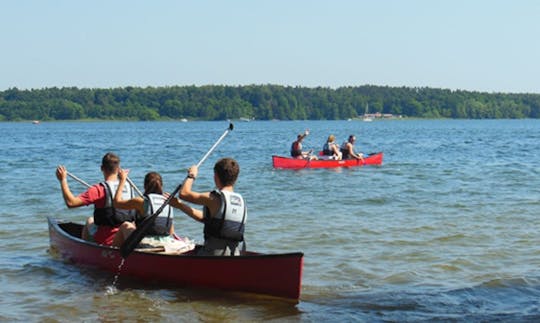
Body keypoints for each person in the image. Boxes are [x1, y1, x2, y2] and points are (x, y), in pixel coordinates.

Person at [55, 152, 136, 245]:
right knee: (91, 220)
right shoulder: (129, 188)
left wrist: (63, 180)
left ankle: (86, 251)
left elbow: (71, 203)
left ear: (102, 168)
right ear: (118, 169)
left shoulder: (99, 189)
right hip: (125, 237)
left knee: (89, 221)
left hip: (107, 241)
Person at [177, 157, 247, 256]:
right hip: (234, 255)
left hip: (212, 255)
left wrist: (191, 175)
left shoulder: (213, 198)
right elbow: (205, 218)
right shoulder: (241, 202)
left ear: (216, 176)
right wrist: (179, 205)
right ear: (236, 178)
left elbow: (183, 193)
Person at [112, 169, 194, 252]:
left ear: (145, 186)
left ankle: (113, 255)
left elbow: (116, 203)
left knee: (125, 225)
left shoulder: (141, 201)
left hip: (147, 244)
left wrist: (122, 181)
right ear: (161, 186)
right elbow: (170, 231)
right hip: (166, 242)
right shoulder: (169, 202)